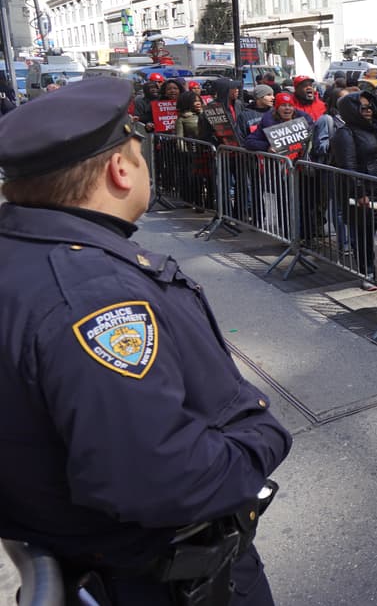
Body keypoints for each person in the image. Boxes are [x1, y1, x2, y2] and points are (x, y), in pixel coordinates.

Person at [0, 78, 291, 605]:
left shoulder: (25, 255)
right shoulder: (94, 297)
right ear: (119, 170)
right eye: (139, 155)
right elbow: (159, 476)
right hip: (160, 579)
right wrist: (259, 440)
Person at [332, 90, 377, 290]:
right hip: (365, 192)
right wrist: (358, 193)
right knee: (364, 236)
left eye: (370, 106)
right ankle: (367, 272)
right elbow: (349, 165)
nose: (368, 110)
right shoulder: (345, 133)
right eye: (362, 107)